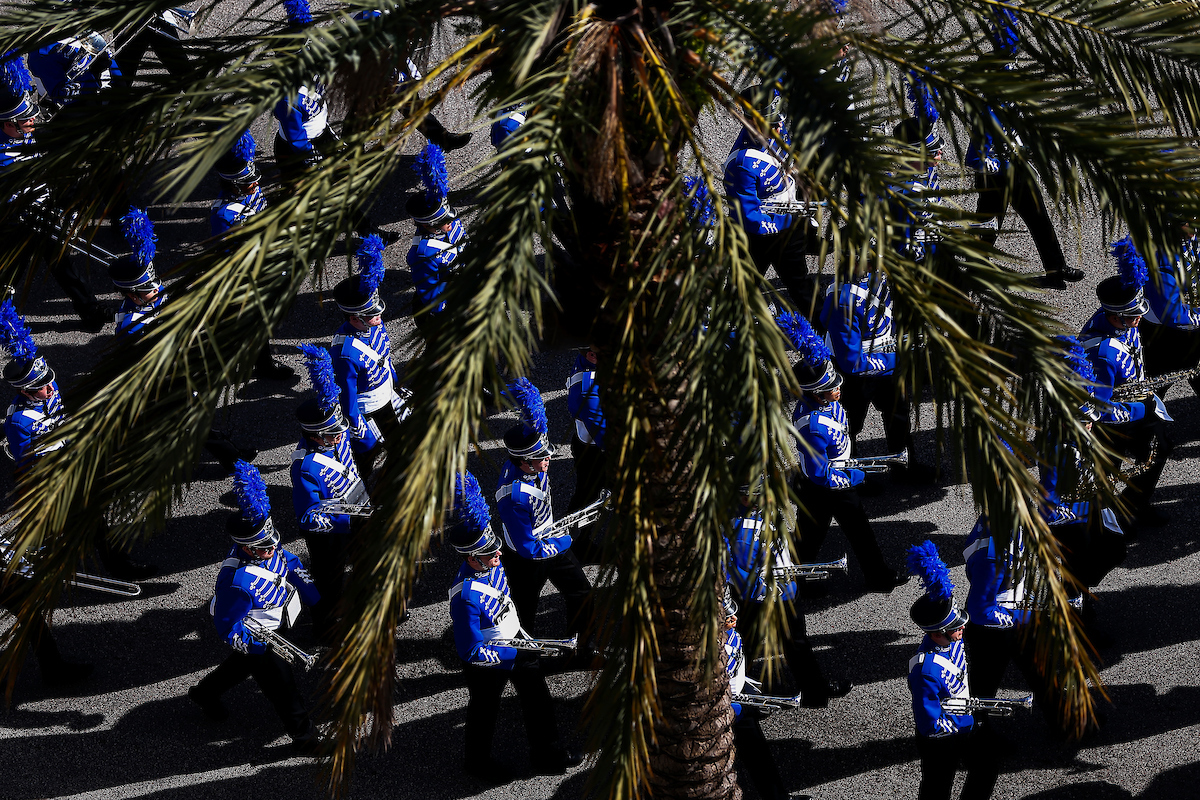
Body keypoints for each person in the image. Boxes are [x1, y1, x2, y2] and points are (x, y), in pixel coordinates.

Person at [0, 298, 154, 581]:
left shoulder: (49, 386)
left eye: (48, 382)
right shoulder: (19, 422)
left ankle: (108, 562)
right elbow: (29, 462)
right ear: (25, 391)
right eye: (41, 387)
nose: (49, 388)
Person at [447, 470, 582, 782]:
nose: (496, 554)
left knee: (538, 699)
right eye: (487, 554)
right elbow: (470, 650)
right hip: (491, 659)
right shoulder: (465, 596)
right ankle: (477, 764)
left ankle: (547, 756)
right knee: (484, 712)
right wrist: (510, 655)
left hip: (515, 639)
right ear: (470, 559)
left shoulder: (491, 562)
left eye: (494, 549)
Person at [188, 460, 323, 755]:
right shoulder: (237, 582)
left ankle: (205, 692)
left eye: (272, 543)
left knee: (238, 667)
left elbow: (289, 562)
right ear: (246, 547)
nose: (272, 549)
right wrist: (259, 647)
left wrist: (312, 595)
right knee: (283, 688)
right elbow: (228, 626)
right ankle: (305, 738)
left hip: (279, 617)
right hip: (259, 637)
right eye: (264, 548)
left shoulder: (265, 546)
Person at [780, 312, 907, 592]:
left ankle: (803, 579)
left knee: (810, 536)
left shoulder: (825, 403)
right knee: (856, 532)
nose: (838, 387)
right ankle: (877, 577)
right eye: (831, 387)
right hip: (827, 485)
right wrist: (856, 476)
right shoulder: (813, 426)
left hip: (833, 475)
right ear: (817, 394)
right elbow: (820, 473)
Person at [967, 9, 1082, 290]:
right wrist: (989, 163)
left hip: (1017, 167)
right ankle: (978, 272)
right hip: (995, 176)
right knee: (987, 225)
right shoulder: (987, 112)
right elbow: (973, 155)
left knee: (1039, 217)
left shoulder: (1009, 104)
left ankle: (1056, 269)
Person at [0, 51, 109, 331]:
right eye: (26, 123)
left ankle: (90, 310)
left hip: (43, 211)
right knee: (9, 275)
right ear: (7, 125)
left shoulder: (26, 133)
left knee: (65, 265)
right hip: (16, 223)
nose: (32, 124)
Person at [725, 481, 851, 707]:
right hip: (761, 598)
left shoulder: (765, 509)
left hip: (785, 590)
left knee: (796, 644)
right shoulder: (735, 527)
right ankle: (737, 697)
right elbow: (737, 574)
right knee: (744, 648)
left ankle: (815, 692)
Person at [1079, 237, 1174, 527]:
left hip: (1138, 400)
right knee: (1105, 477)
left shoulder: (1124, 319)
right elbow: (1104, 409)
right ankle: (1103, 529)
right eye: (1132, 317)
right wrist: (1144, 408)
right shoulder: (1101, 354)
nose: (1138, 320)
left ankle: (1134, 506)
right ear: (1115, 317)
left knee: (1160, 448)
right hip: (1114, 425)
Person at [820, 257, 935, 483]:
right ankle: (851, 477)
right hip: (855, 377)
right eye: (870, 260)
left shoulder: (876, 277)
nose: (875, 264)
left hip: (884, 362)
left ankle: (905, 467)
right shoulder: (843, 300)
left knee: (899, 415)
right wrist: (898, 357)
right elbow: (852, 362)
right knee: (849, 426)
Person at [495, 378, 593, 638]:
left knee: (582, 592)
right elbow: (529, 549)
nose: (548, 458)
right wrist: (565, 540)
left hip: (547, 535)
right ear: (525, 462)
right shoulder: (513, 497)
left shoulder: (530, 461)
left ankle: (580, 649)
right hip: (527, 557)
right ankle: (526, 662)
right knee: (525, 613)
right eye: (541, 457)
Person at [907, 541, 999, 800]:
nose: (962, 629)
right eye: (955, 628)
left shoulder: (952, 643)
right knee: (937, 787)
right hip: (942, 736)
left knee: (987, 765)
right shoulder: (925, 670)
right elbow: (929, 720)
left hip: (964, 721)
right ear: (937, 634)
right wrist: (956, 732)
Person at [207, 131, 295, 381]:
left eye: (254, 180)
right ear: (233, 184)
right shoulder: (223, 214)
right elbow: (226, 254)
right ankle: (262, 366)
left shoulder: (251, 192)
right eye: (248, 183)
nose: (255, 185)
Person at [290, 362, 368, 641]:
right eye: (331, 435)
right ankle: (326, 628)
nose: (339, 436)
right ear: (313, 436)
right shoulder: (305, 467)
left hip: (358, 505)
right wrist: (348, 518)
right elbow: (309, 516)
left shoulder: (337, 434)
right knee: (329, 580)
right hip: (329, 532)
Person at [723, 83, 815, 308]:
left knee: (803, 290)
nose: (779, 128)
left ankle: (824, 335)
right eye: (772, 124)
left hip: (789, 222)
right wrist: (791, 219)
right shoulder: (742, 163)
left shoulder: (775, 126)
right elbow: (749, 216)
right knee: (739, 292)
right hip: (759, 237)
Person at [330, 235, 409, 477]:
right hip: (368, 407)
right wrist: (355, 425)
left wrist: (395, 384)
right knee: (368, 456)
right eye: (372, 316)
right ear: (355, 318)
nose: (379, 319)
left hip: (386, 393)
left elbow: (386, 357)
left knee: (401, 441)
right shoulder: (344, 353)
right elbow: (347, 393)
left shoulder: (373, 326)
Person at [722, 591, 792, 800]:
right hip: (724, 707)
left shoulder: (729, 632)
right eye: (726, 617)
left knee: (758, 752)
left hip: (738, 692)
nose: (733, 619)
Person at [406, 143, 467, 337]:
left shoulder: (450, 222)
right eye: (443, 222)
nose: (450, 223)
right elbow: (433, 295)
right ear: (427, 225)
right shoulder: (423, 254)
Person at [273, 0, 336, 183]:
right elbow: (297, 141)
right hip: (299, 149)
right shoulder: (286, 98)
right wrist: (314, 158)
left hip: (321, 134)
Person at [1140, 217, 1200, 393]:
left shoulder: (1192, 238)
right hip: (1167, 337)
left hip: (1192, 326)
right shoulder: (1162, 258)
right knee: (1153, 391)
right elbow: (1171, 313)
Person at [564, 344, 606, 560]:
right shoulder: (586, 390)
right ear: (592, 354)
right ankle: (579, 543)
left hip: (594, 445)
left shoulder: (593, 365)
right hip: (594, 452)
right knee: (587, 498)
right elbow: (607, 439)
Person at [26, 29, 121, 114]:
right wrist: (93, 74)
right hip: (73, 108)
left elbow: (106, 56)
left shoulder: (80, 30)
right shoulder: (43, 54)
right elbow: (60, 95)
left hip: (104, 91)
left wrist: (118, 81)